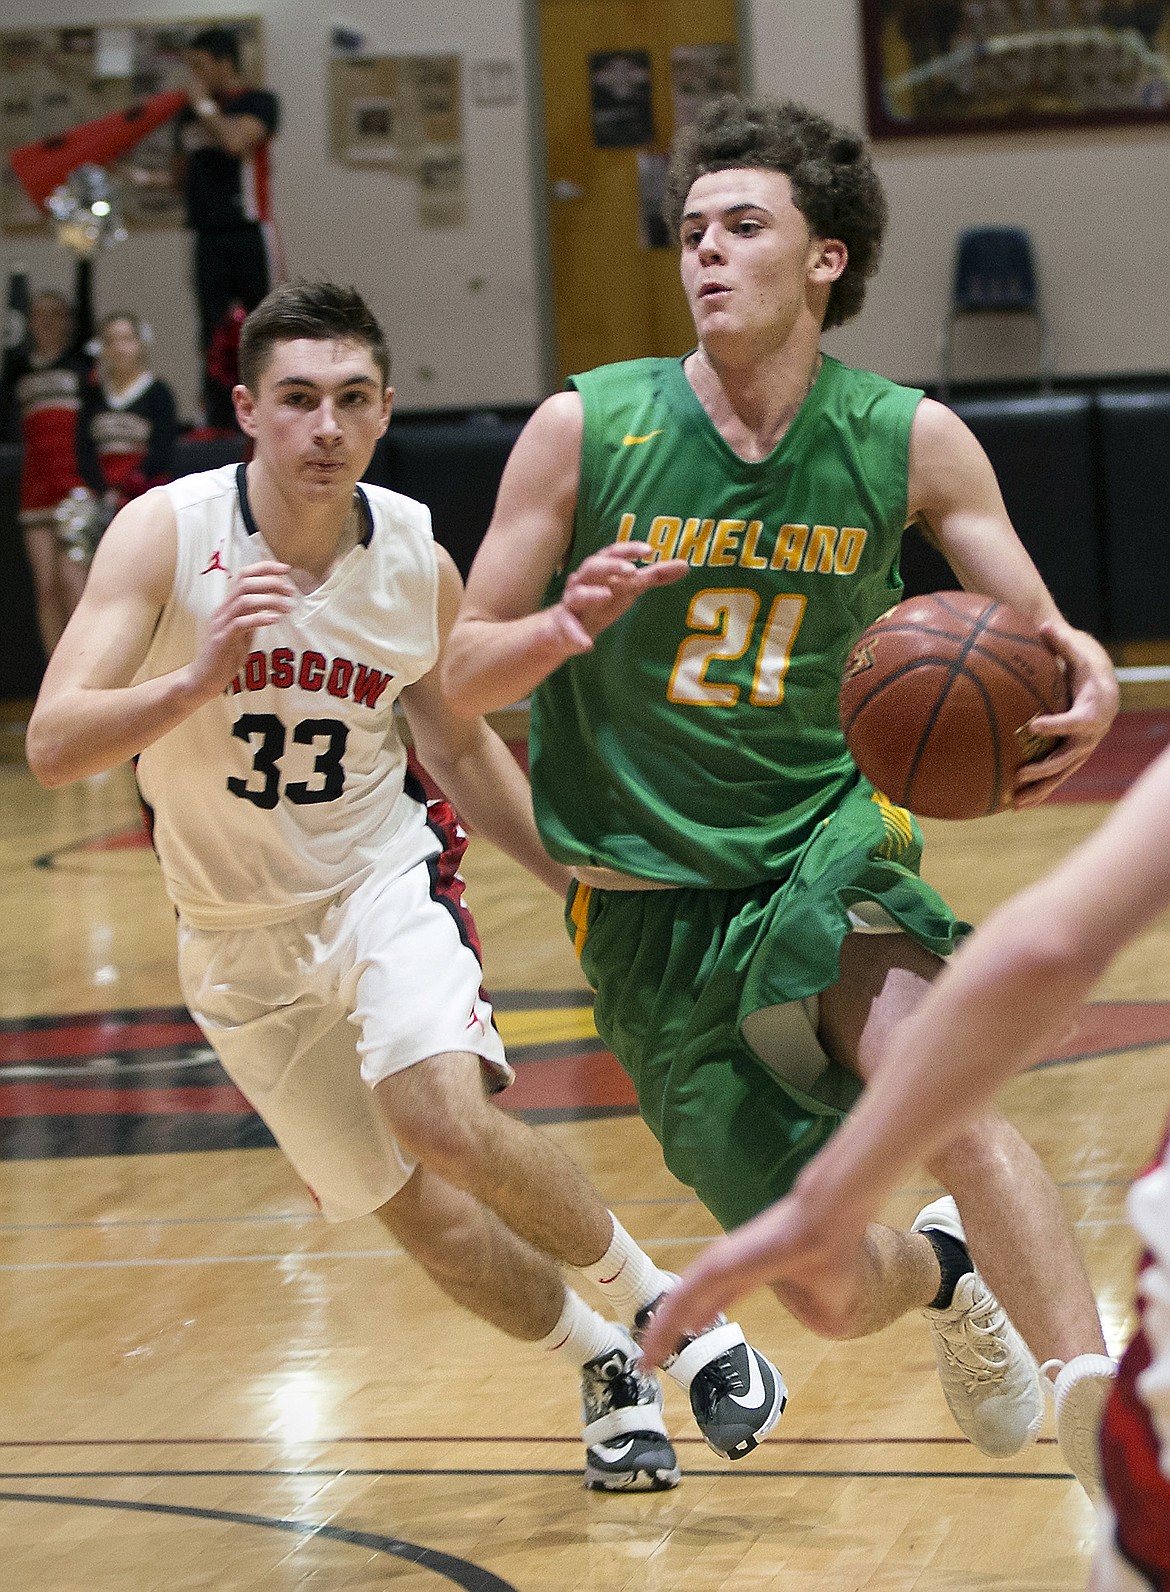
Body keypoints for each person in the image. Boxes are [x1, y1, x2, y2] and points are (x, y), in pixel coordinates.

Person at [440, 93, 1121, 1493]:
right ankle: (942, 1273)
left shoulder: (906, 438)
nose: (704, 253)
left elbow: (1047, 643)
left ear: (824, 259)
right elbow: (449, 680)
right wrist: (556, 631)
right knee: (818, 1284)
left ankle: (1097, 1405)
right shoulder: (585, 430)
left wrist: (1089, 674)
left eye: (742, 227)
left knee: (953, 1098)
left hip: (825, 850)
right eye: (691, 231)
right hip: (647, 913)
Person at [24, 278, 784, 1494]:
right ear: (246, 412)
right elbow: (54, 741)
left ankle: (676, 1317)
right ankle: (604, 1365)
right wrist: (194, 677)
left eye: (352, 400)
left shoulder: (414, 555)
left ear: (383, 415)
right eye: (298, 399)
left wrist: (574, 880)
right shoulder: (166, 534)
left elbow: (462, 745)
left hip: (379, 878)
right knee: (421, 1214)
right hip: (231, 935)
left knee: (439, 1114)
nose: (325, 425)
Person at [638, 744, 1170, 1592]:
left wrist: (831, 1195)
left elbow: (1047, 951)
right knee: (829, 1299)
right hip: (678, 901)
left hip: (814, 849)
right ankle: (956, 1279)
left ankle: (1077, 1390)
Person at [173, 26, 280, 433]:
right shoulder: (190, 114)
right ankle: (218, 417)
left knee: (265, 323)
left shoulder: (259, 101)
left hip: (249, 231)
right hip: (206, 235)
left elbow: (236, 141)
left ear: (225, 63)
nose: (194, 76)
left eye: (201, 66)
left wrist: (202, 106)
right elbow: (179, 176)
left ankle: (272, 407)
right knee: (211, 330)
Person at [0, 262, 94, 657]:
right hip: (36, 487)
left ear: (68, 321)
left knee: (76, 585)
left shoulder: (79, 363)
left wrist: (83, 258)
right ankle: (54, 679)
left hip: (74, 484)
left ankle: (85, 673)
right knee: (46, 588)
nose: (47, 322)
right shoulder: (18, 369)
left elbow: (88, 305)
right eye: (39, 315)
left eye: (56, 314)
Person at [76, 311, 178, 521]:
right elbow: (83, 449)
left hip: (147, 496)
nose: (118, 349)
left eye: (126, 340)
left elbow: (163, 449)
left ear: (141, 345)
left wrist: (131, 485)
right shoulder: (92, 396)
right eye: (110, 341)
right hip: (100, 500)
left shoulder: (158, 393)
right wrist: (103, 490)